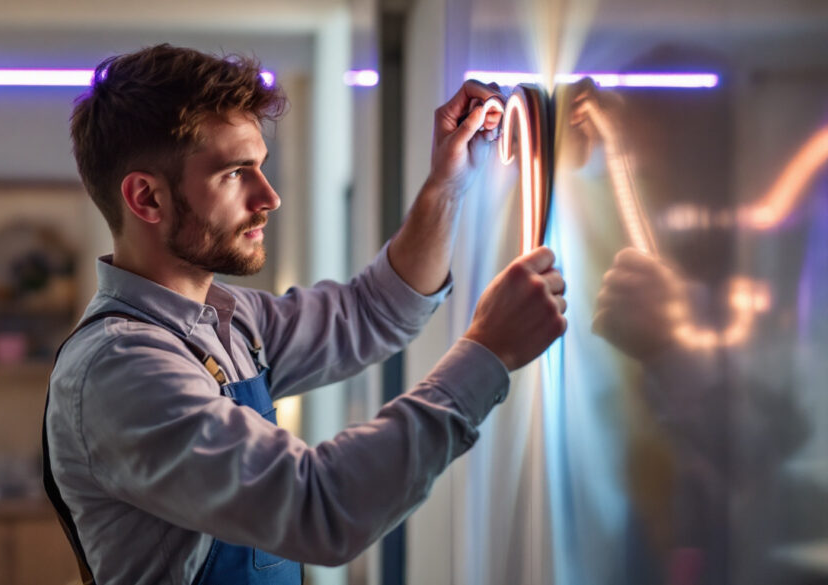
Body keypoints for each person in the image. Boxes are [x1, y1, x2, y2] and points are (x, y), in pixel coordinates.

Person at [44, 43, 567, 585]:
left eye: (262, 167)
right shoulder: (122, 367)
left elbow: (374, 311)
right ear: (147, 199)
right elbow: (318, 509)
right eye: (234, 173)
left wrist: (447, 184)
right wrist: (487, 354)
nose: (268, 196)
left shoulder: (228, 320)